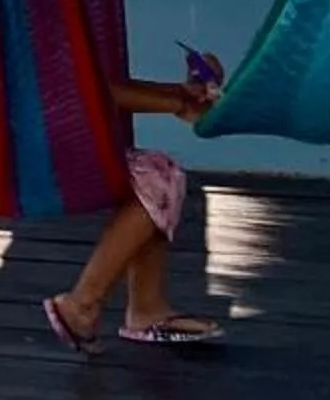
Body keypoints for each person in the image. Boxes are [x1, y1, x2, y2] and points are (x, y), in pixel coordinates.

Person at [43, 63, 225, 352]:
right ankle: (82, 304)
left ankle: (147, 308)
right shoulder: (41, 26)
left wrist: (180, 95)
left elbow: (98, 84)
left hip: (45, 137)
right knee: (157, 177)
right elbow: (78, 90)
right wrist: (179, 102)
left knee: (159, 176)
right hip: (38, 147)